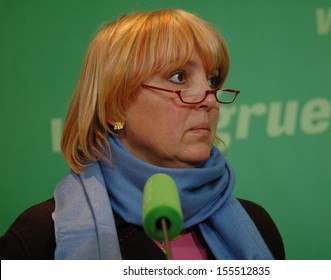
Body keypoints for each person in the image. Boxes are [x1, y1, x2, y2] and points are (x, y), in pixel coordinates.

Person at [0, 9, 285, 260]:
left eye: (212, 79)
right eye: (179, 77)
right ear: (114, 107)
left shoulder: (256, 225)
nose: (208, 98)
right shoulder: (39, 239)